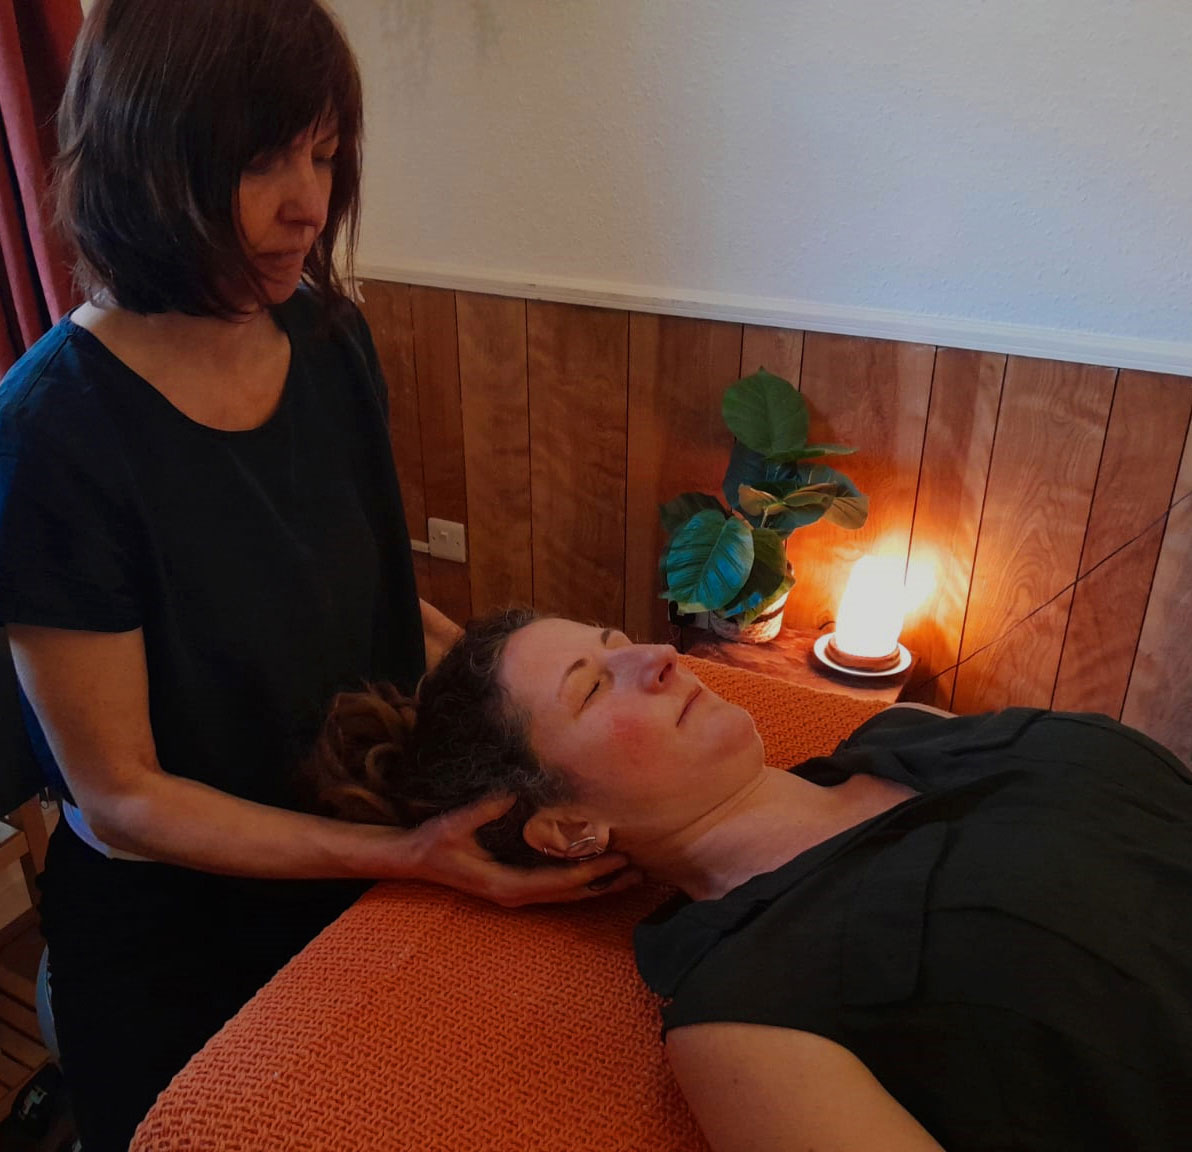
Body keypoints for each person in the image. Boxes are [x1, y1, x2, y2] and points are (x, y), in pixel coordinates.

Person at [0, 4, 630, 1149]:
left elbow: (378, 601)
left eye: (325, 155)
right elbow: (124, 800)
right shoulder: (51, 433)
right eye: (260, 163)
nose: (309, 204)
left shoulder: (328, 337)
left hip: (360, 854)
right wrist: (408, 857)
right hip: (182, 938)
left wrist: (549, 709)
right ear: (147, 161)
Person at [307, 609, 1192, 1152]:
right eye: (593, 688)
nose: (657, 654)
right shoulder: (749, 1013)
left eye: (618, 642)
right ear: (572, 829)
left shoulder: (908, 729)